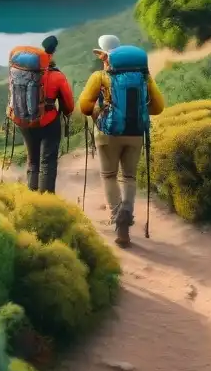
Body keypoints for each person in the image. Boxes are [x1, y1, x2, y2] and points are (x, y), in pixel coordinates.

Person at [79, 34, 165, 247]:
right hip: (136, 133)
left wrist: (98, 112)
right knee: (128, 177)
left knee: (109, 176)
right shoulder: (144, 76)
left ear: (105, 56)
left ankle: (119, 222)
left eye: (101, 54)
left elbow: (84, 107)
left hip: (108, 134)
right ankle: (127, 208)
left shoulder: (100, 77)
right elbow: (158, 107)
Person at [15, 35, 74, 194]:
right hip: (48, 122)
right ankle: (46, 199)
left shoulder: (22, 72)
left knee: (32, 160)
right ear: (53, 52)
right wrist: (65, 113)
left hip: (24, 121)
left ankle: (32, 196)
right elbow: (68, 105)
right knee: (47, 161)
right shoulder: (56, 76)